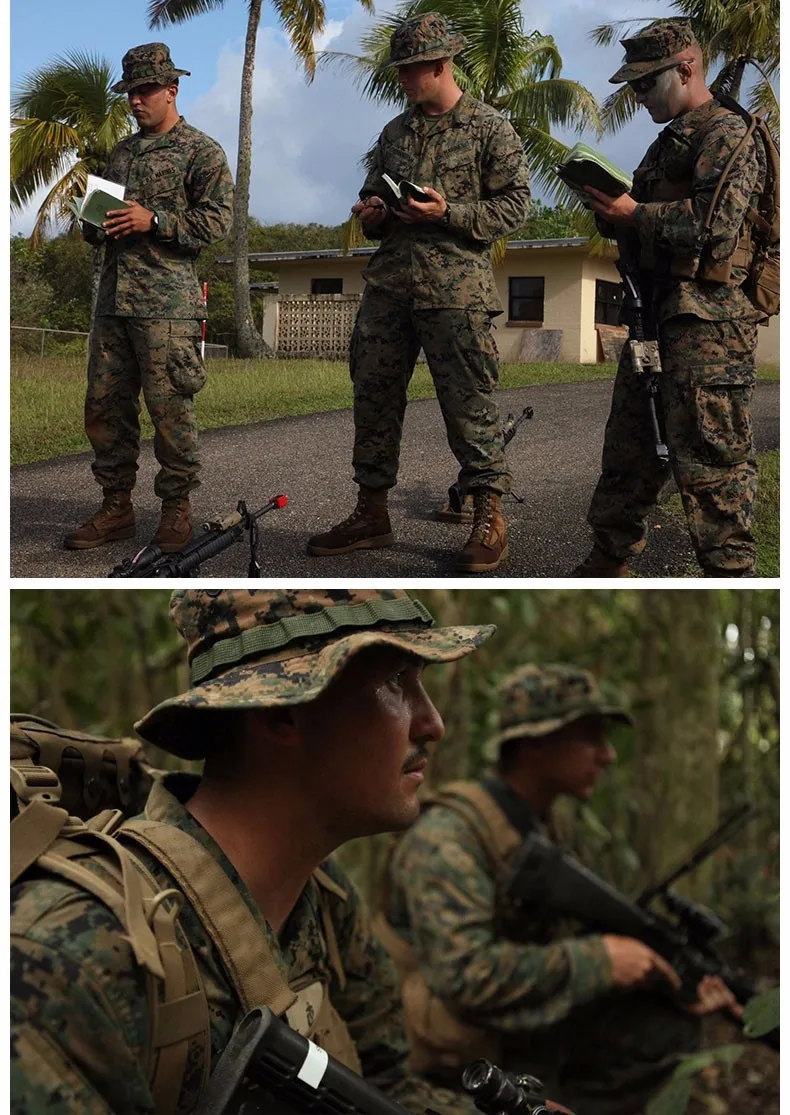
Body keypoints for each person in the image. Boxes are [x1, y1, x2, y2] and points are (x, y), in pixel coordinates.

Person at [11, 588, 498, 1114]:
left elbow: (387, 1089)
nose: (432, 724)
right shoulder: (68, 962)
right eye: (393, 683)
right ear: (280, 712)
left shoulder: (322, 900)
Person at [378, 663, 740, 1115]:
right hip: (449, 1056)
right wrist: (603, 960)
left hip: (515, 1029)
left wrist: (670, 975)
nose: (607, 756)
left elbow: (560, 939)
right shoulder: (448, 838)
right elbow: (464, 976)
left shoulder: (549, 825)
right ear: (535, 744)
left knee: (663, 1024)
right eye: (591, 737)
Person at [306, 13, 532, 573]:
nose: (403, 80)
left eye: (411, 71)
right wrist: (374, 212)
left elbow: (515, 207)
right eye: (399, 71)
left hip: (455, 292)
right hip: (389, 288)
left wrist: (447, 211)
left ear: (441, 64)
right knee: (374, 399)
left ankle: (487, 516)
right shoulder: (394, 134)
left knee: (469, 406)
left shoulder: (489, 128)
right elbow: (370, 195)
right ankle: (371, 511)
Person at [573, 20, 768, 578]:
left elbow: (714, 230)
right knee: (628, 455)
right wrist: (613, 212)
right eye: (632, 86)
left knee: (713, 463)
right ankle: (607, 563)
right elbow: (646, 227)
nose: (637, 96)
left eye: (645, 83)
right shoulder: (670, 142)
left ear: (687, 69)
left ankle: (730, 576)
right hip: (652, 322)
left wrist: (633, 213)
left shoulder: (728, 134)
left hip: (707, 329)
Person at [64, 43, 234, 555]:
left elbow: (217, 222)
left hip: (167, 306)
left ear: (171, 90)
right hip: (114, 302)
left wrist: (154, 220)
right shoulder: (122, 153)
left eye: (145, 91)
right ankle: (116, 506)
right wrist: (95, 223)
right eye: (130, 93)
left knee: (169, 413)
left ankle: (176, 508)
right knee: (105, 409)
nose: (136, 101)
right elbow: (103, 223)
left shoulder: (201, 150)